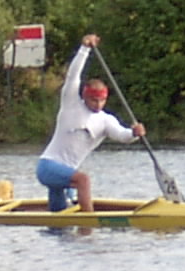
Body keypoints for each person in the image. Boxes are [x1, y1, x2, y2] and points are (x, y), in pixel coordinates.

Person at [36, 34, 146, 212]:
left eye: (102, 101)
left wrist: (135, 133)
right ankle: (89, 223)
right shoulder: (71, 104)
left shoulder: (105, 120)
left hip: (66, 174)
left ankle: (57, 225)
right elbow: (73, 76)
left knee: (59, 217)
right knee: (83, 180)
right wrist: (84, 49)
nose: (98, 105)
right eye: (94, 101)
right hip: (47, 166)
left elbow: (123, 135)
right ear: (85, 96)